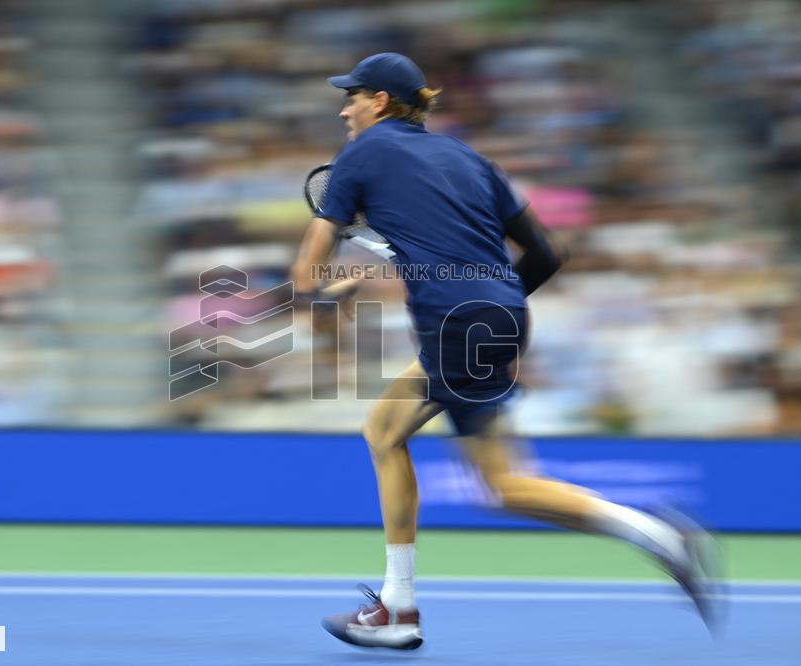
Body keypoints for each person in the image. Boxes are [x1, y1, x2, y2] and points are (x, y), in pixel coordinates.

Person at [290, 52, 717, 651]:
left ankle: (656, 534)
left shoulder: (360, 154)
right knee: (386, 430)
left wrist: (335, 287)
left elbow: (306, 279)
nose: (344, 108)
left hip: (454, 322)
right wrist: (492, 302)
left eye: (352, 97)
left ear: (381, 101)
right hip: (502, 313)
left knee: (503, 485)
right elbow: (544, 254)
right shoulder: (471, 159)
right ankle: (399, 607)